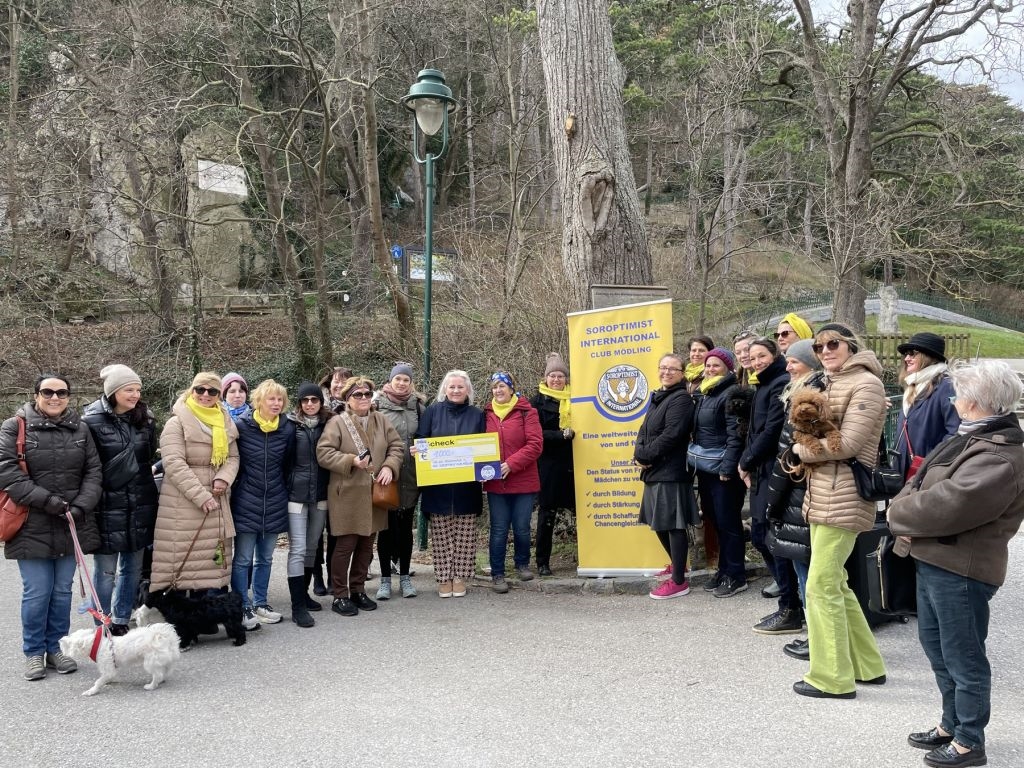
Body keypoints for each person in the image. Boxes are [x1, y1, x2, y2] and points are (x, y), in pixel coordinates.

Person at [888, 360, 1024, 768]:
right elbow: (923, 482)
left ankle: (969, 740)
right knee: (938, 648)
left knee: (963, 655)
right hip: (935, 558)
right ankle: (951, 723)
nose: (954, 399)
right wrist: (905, 503)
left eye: (960, 393)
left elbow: (951, 503)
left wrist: (896, 514)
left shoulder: (1000, 453)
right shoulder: (973, 436)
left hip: (961, 569)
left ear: (979, 401)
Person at [790, 323, 887, 699]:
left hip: (844, 493)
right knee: (837, 584)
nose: (826, 350)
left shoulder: (866, 384)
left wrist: (798, 451)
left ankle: (831, 678)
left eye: (834, 344)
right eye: (819, 346)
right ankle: (867, 665)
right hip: (823, 492)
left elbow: (846, 444)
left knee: (820, 585)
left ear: (850, 346)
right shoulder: (828, 381)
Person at [0, 374, 103, 681]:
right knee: (37, 592)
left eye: (61, 392)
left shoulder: (81, 429)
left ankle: (56, 647)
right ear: (37, 395)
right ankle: (33, 652)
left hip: (70, 521)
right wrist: (48, 502)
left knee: (61, 592)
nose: (55, 397)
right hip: (31, 522)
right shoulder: (14, 426)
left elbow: (94, 471)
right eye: (48, 392)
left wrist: (82, 504)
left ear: (69, 397)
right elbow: (7, 472)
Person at [150, 373, 240, 619]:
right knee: (183, 564)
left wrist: (224, 477)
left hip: (217, 498)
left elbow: (233, 457)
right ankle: (178, 623)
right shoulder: (176, 423)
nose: (205, 396)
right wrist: (201, 496)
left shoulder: (225, 422)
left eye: (212, 392)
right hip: (183, 504)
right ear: (191, 390)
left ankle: (203, 620)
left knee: (208, 567)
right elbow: (173, 463)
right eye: (200, 389)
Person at [81, 364, 159, 636]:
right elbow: (87, 465)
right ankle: (102, 623)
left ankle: (122, 619)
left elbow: (147, 458)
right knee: (105, 571)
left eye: (138, 389)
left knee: (133, 567)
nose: (135, 394)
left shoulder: (146, 420)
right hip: (107, 505)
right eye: (129, 389)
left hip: (141, 501)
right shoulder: (90, 421)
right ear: (113, 391)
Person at [316, 377, 404, 616]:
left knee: (366, 545)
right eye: (358, 395)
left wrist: (389, 466)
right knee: (345, 545)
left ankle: (358, 590)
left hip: (375, 493)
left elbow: (397, 447)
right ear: (347, 399)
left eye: (367, 394)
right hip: (347, 493)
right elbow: (323, 453)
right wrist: (350, 461)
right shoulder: (337, 423)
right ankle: (340, 595)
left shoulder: (381, 419)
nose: (364, 398)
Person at [764, 339, 825, 660]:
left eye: (794, 362)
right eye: (786, 362)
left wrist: (776, 491)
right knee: (804, 565)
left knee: (809, 569)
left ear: (810, 365)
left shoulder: (809, 396)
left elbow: (791, 449)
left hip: (802, 492)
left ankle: (817, 637)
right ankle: (814, 634)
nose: (787, 367)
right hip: (794, 489)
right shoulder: (796, 392)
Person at [738, 336, 800, 633]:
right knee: (762, 535)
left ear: (775, 355)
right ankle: (789, 604)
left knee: (770, 537)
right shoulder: (762, 383)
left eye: (763, 355)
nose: (757, 360)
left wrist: (746, 460)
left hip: (771, 468)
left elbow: (772, 429)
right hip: (759, 468)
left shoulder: (779, 383)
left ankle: (791, 607)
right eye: (753, 356)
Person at [414, 370, 486, 598]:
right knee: (442, 534)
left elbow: (484, 446)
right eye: (452, 387)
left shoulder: (477, 414)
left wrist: (486, 468)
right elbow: (421, 438)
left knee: (465, 535)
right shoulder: (433, 411)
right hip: (438, 486)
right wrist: (418, 450)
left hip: (467, 486)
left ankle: (459, 578)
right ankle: (444, 579)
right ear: (445, 389)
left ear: (468, 391)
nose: (456, 391)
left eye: (460, 387)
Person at [231, 379, 295, 629]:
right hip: (246, 500)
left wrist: (283, 490)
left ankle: (260, 602)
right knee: (243, 559)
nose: (277, 403)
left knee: (266, 558)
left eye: (280, 399)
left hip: (276, 499)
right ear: (259, 401)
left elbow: (288, 464)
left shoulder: (288, 428)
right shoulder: (242, 426)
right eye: (271, 399)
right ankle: (242, 606)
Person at [634, 353, 698, 599]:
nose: (667, 372)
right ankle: (678, 565)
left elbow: (673, 435)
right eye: (663, 368)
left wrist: (646, 456)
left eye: (673, 369)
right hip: (654, 470)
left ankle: (679, 581)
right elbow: (644, 430)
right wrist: (638, 453)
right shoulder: (658, 397)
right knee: (658, 522)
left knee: (672, 525)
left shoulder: (680, 399)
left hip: (670, 471)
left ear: (682, 373)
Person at [691, 348, 748, 598]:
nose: (710, 369)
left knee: (729, 523)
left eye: (716, 365)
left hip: (724, 471)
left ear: (727, 367)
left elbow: (736, 435)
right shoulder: (706, 392)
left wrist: (727, 468)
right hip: (706, 468)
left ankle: (736, 575)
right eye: (708, 365)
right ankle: (724, 570)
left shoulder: (730, 393)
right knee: (715, 520)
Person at [483, 371, 543, 593]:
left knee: (521, 527)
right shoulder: (485, 414)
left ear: (511, 388)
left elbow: (535, 444)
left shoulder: (528, 412)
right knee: (498, 529)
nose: (498, 391)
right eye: (494, 387)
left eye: (502, 386)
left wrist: (510, 464)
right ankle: (497, 573)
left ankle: (522, 564)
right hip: (496, 482)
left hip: (523, 480)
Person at [373, 362, 425, 600]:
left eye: (406, 380)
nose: (402, 383)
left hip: (412, 475)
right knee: (386, 529)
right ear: (390, 380)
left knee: (405, 529)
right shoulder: (377, 406)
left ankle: (405, 577)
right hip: (387, 476)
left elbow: (426, 436)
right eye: (398, 379)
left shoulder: (419, 406)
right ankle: (385, 579)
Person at [287, 381, 334, 625]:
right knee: (297, 548)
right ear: (299, 403)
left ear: (320, 402)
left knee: (313, 546)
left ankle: (304, 595)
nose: (309, 404)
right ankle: (297, 607)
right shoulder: (289, 424)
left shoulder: (331, 423)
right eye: (305, 400)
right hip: (296, 495)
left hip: (322, 495)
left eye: (314, 400)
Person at [530, 352, 575, 577]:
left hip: (575, 464)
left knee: (585, 511)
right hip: (548, 465)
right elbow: (535, 434)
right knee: (547, 514)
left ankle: (589, 558)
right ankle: (542, 562)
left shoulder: (576, 398)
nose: (556, 380)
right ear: (545, 378)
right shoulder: (536, 402)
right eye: (552, 376)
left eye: (560, 376)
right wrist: (561, 435)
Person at [895, 332, 960, 481]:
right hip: (905, 472)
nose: (906, 358)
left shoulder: (947, 386)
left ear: (927, 357)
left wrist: (931, 460)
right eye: (906, 354)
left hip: (927, 473)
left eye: (912, 353)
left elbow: (955, 432)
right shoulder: (914, 385)